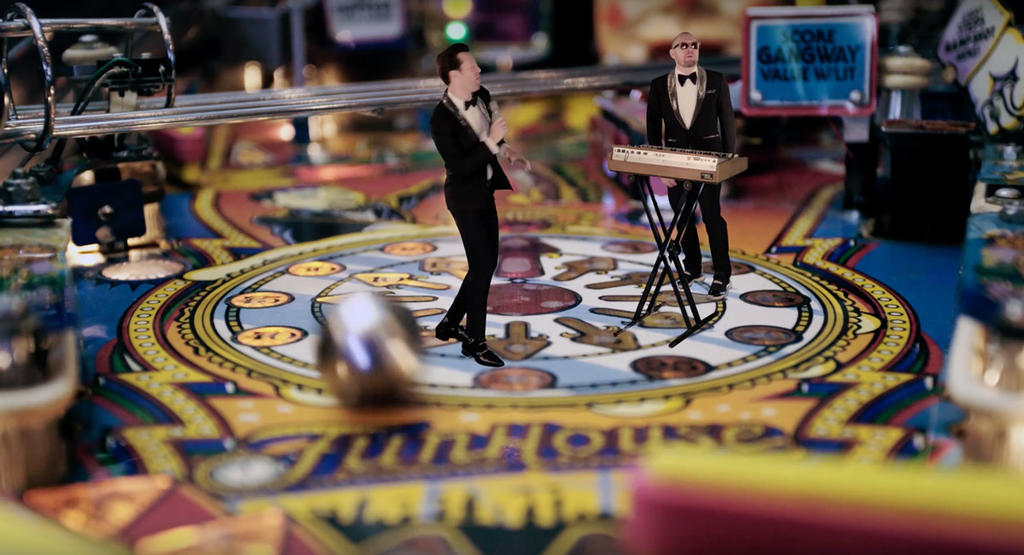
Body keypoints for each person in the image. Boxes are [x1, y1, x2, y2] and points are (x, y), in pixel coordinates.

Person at [429, 42, 531, 367]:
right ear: (454, 74)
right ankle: (475, 342)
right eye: (472, 67)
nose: (479, 70)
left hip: (484, 192)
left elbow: (493, 137)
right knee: (483, 266)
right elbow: (460, 166)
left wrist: (507, 150)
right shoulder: (440, 119)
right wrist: (491, 141)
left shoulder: (483, 95)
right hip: (463, 198)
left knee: (484, 265)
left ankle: (449, 324)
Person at [645, 31, 737, 300]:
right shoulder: (658, 85)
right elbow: (653, 128)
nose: (689, 49)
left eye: (694, 45)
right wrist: (661, 167)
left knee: (712, 216)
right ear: (672, 53)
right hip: (675, 160)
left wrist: (727, 162)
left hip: (710, 158)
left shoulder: (716, 80)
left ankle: (722, 275)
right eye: (682, 45)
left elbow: (727, 122)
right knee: (682, 217)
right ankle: (693, 268)